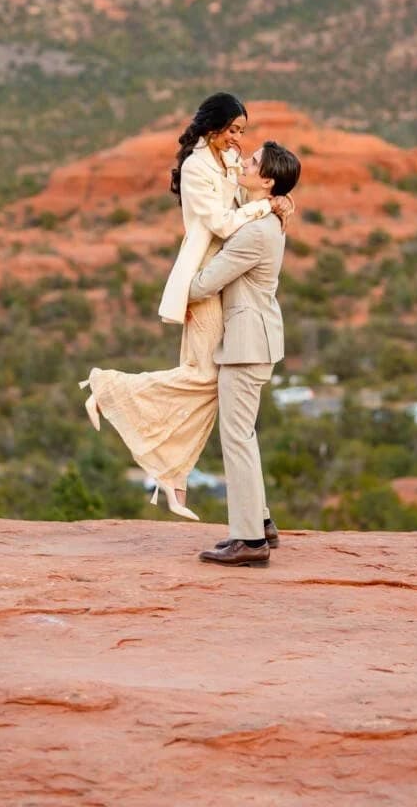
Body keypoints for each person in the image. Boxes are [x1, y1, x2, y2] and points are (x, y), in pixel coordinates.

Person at [80, 93, 292, 520]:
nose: (238, 141)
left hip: (223, 273)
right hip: (205, 273)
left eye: (242, 132)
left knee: (207, 383)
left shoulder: (225, 160)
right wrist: (264, 205)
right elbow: (222, 223)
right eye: (233, 131)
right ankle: (108, 391)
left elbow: (246, 194)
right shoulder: (196, 168)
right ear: (214, 128)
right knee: (204, 378)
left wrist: (276, 198)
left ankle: (174, 474)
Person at [192, 141, 301, 568]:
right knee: (244, 436)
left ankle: (249, 540)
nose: (245, 162)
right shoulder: (261, 214)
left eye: (253, 161)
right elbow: (228, 194)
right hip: (254, 341)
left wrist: (180, 283)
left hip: (246, 345)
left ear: (268, 181)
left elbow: (206, 284)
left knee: (236, 438)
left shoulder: (256, 231)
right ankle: (262, 523)